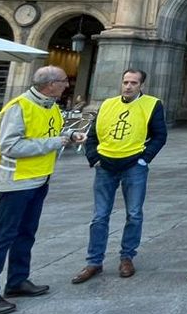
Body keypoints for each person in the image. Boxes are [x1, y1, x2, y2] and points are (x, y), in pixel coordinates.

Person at [0, 66, 81, 314]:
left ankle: (17, 281)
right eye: (64, 81)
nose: (67, 85)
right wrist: (56, 142)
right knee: (3, 236)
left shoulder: (51, 106)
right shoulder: (18, 106)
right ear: (51, 84)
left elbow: (47, 134)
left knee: (26, 233)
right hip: (15, 181)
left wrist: (68, 135)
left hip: (39, 178)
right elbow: (10, 146)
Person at [71, 69, 167, 284]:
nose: (128, 86)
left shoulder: (152, 104)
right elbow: (93, 134)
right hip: (105, 165)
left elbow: (160, 135)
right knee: (99, 216)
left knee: (134, 214)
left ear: (141, 85)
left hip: (134, 164)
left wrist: (144, 159)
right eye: (125, 82)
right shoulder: (107, 104)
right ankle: (94, 261)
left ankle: (127, 257)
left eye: (133, 82)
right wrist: (93, 158)